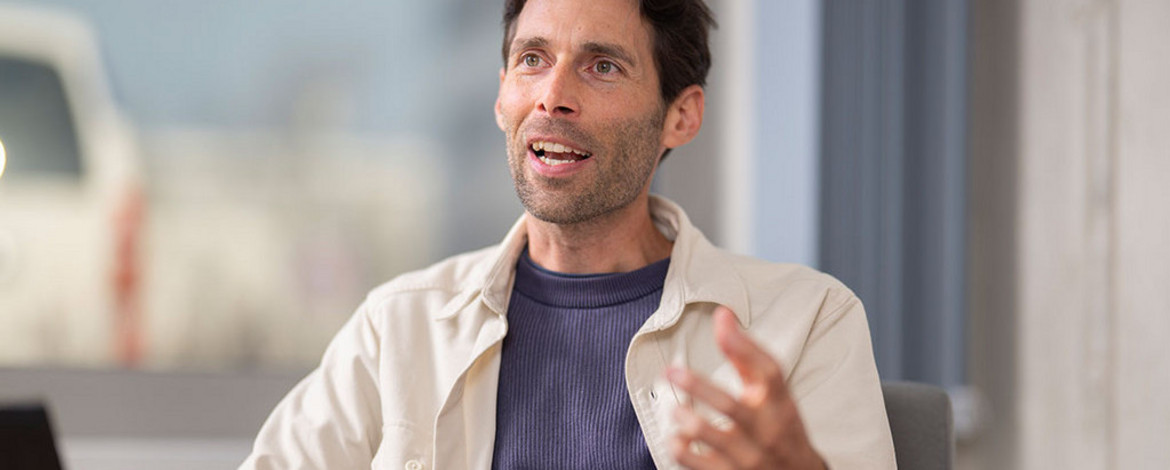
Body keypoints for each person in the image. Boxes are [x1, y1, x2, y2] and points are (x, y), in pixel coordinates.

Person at [241, 0, 896, 468]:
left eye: (602, 66)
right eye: (532, 59)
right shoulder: (397, 328)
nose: (552, 96)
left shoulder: (807, 322)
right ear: (502, 94)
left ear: (681, 116)